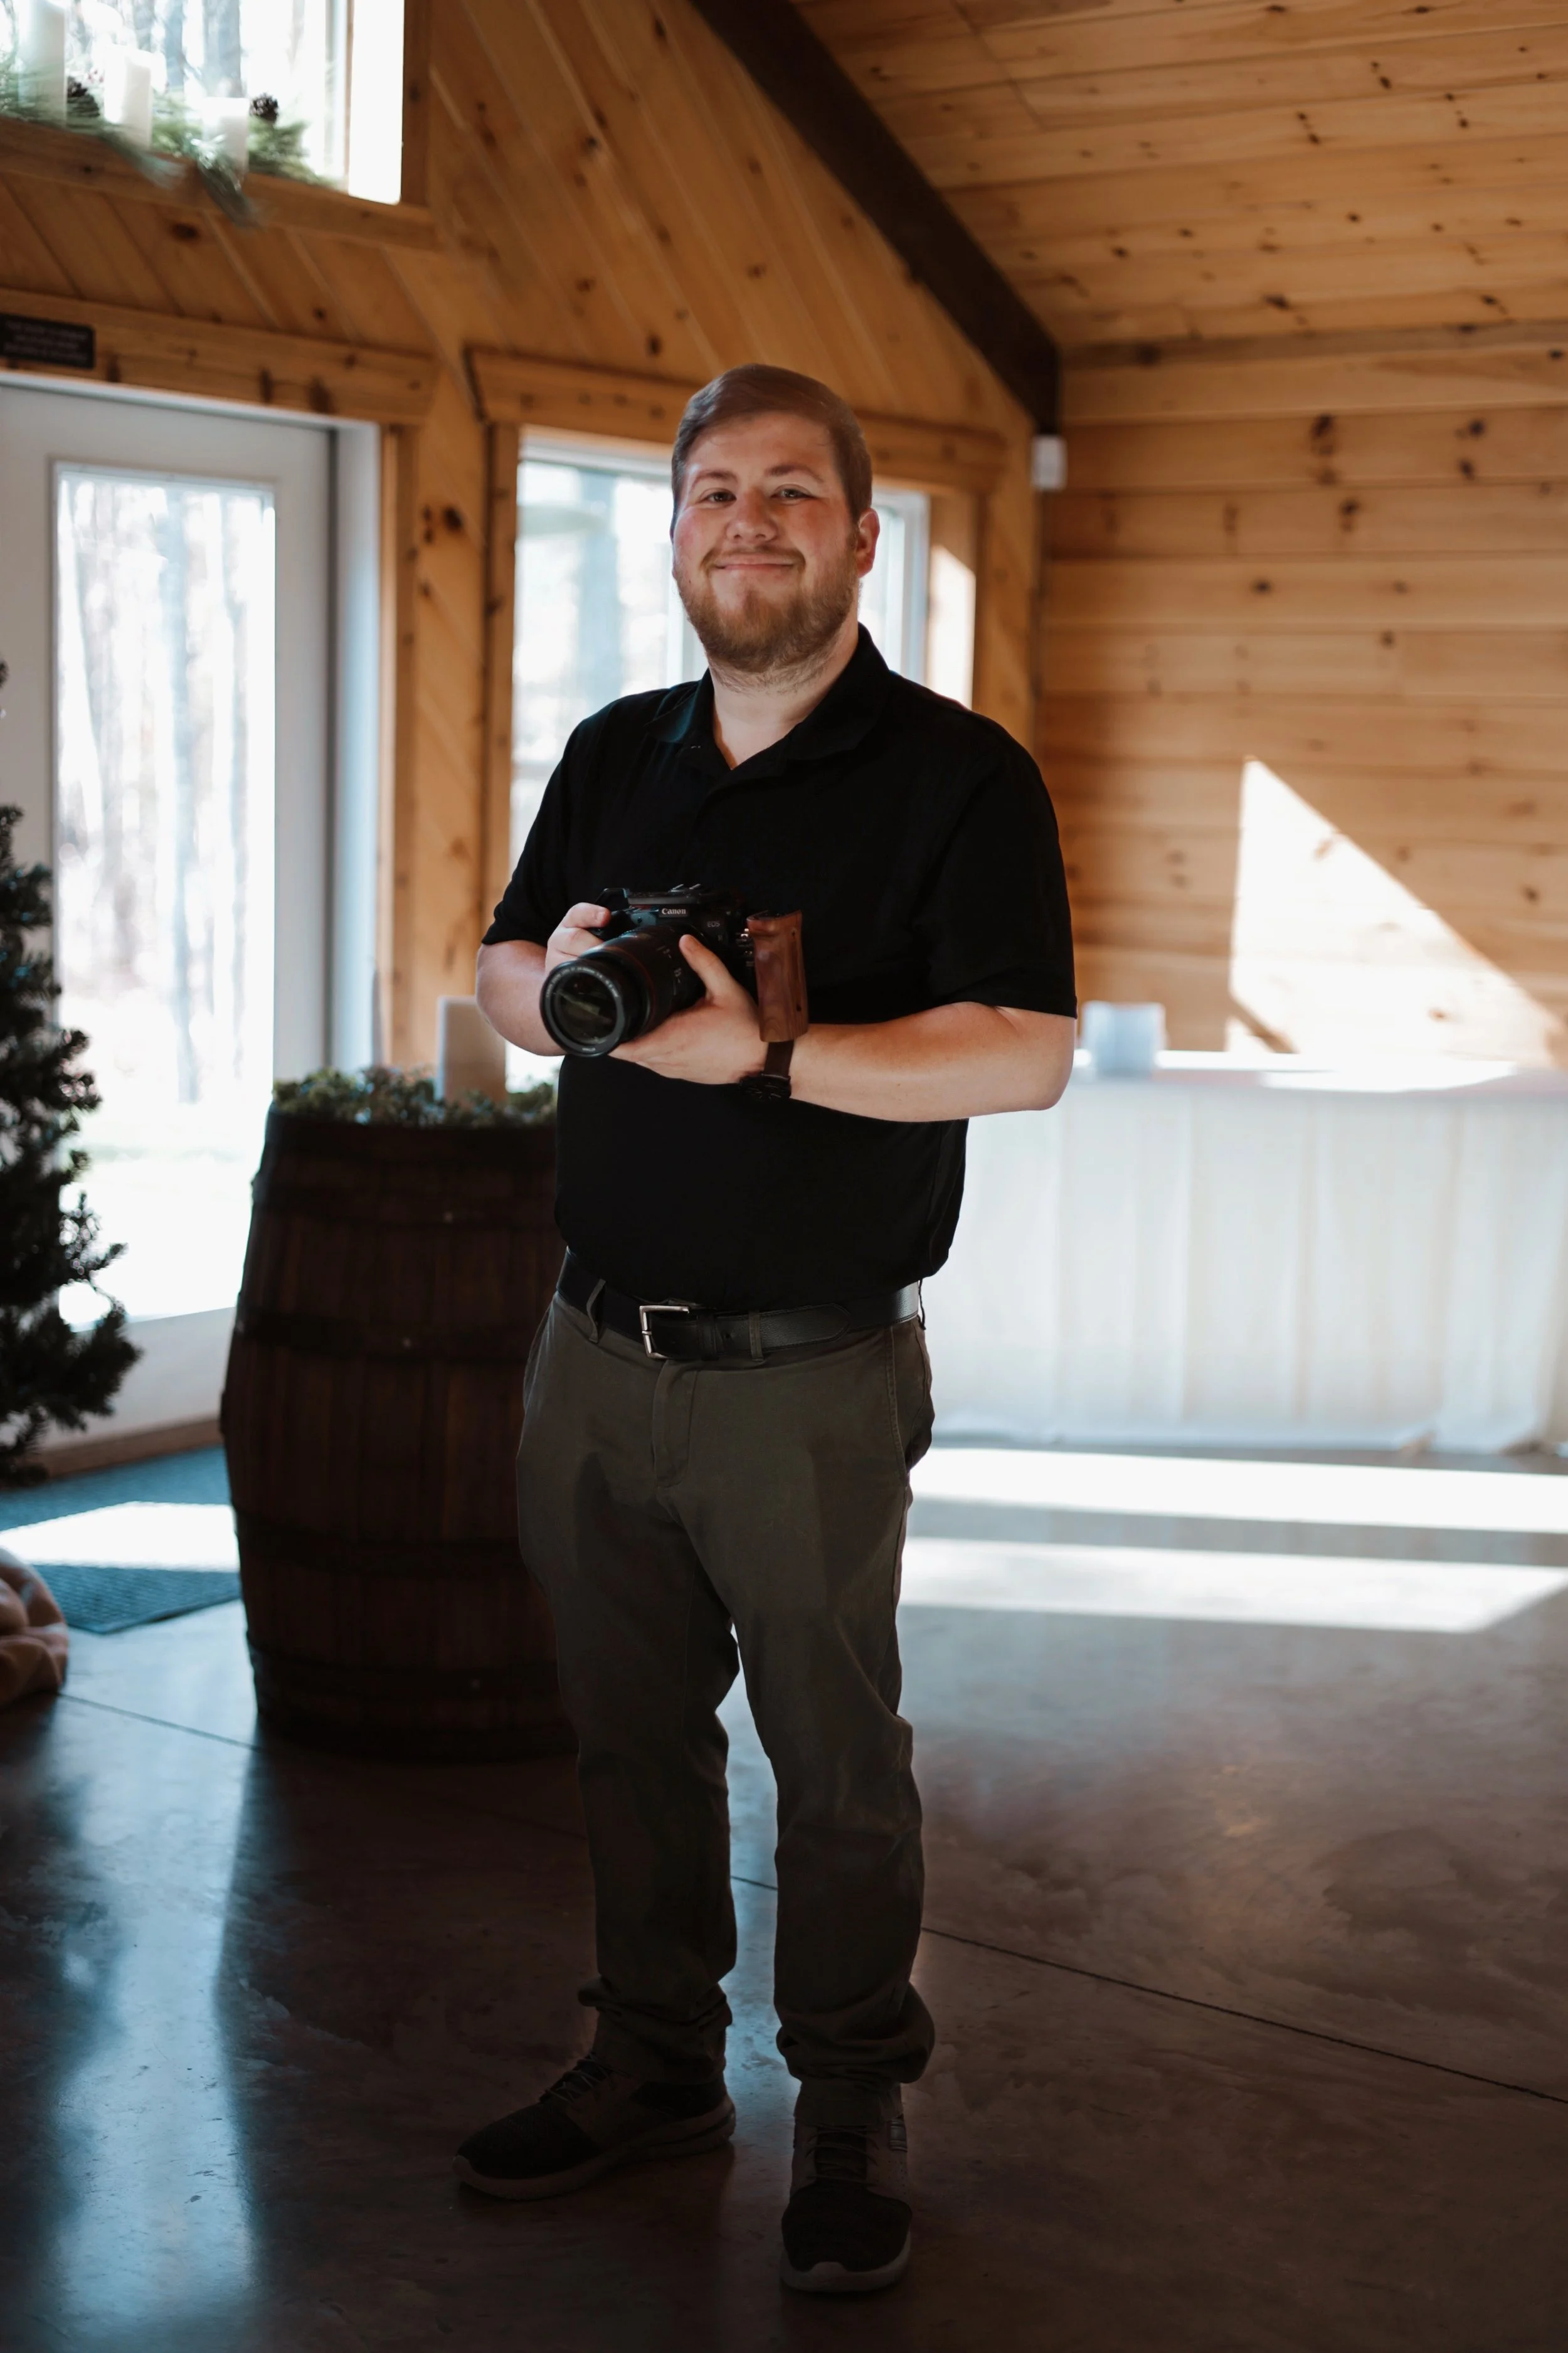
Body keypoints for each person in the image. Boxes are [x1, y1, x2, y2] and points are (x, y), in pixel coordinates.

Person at [461, 364, 1076, 2295]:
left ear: (861, 534)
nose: (748, 520)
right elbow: (494, 962)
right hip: (589, 1357)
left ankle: (848, 2095)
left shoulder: (958, 775)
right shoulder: (614, 747)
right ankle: (649, 2062)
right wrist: (542, 977)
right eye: (713, 491)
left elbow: (1026, 1053)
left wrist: (773, 1050)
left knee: (831, 1762)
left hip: (802, 1371)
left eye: (791, 491)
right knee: (628, 1738)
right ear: (671, 533)